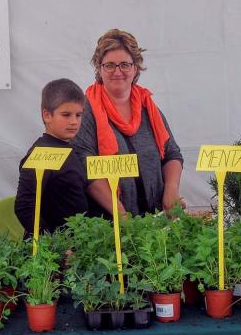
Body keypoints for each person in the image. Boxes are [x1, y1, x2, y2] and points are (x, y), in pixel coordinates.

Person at [73, 29, 184, 217]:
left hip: (154, 217)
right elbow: (85, 167)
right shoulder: (86, 110)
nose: (118, 72)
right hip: (109, 221)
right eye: (109, 65)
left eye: (125, 64)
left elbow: (171, 152)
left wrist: (171, 189)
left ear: (135, 68)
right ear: (99, 69)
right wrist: (119, 212)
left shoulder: (148, 107)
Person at [14, 79, 90, 239]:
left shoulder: (68, 147)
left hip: (75, 245)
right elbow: (24, 206)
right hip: (54, 254)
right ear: (47, 115)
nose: (74, 122)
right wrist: (55, 245)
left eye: (78, 115)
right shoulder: (41, 153)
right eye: (66, 115)